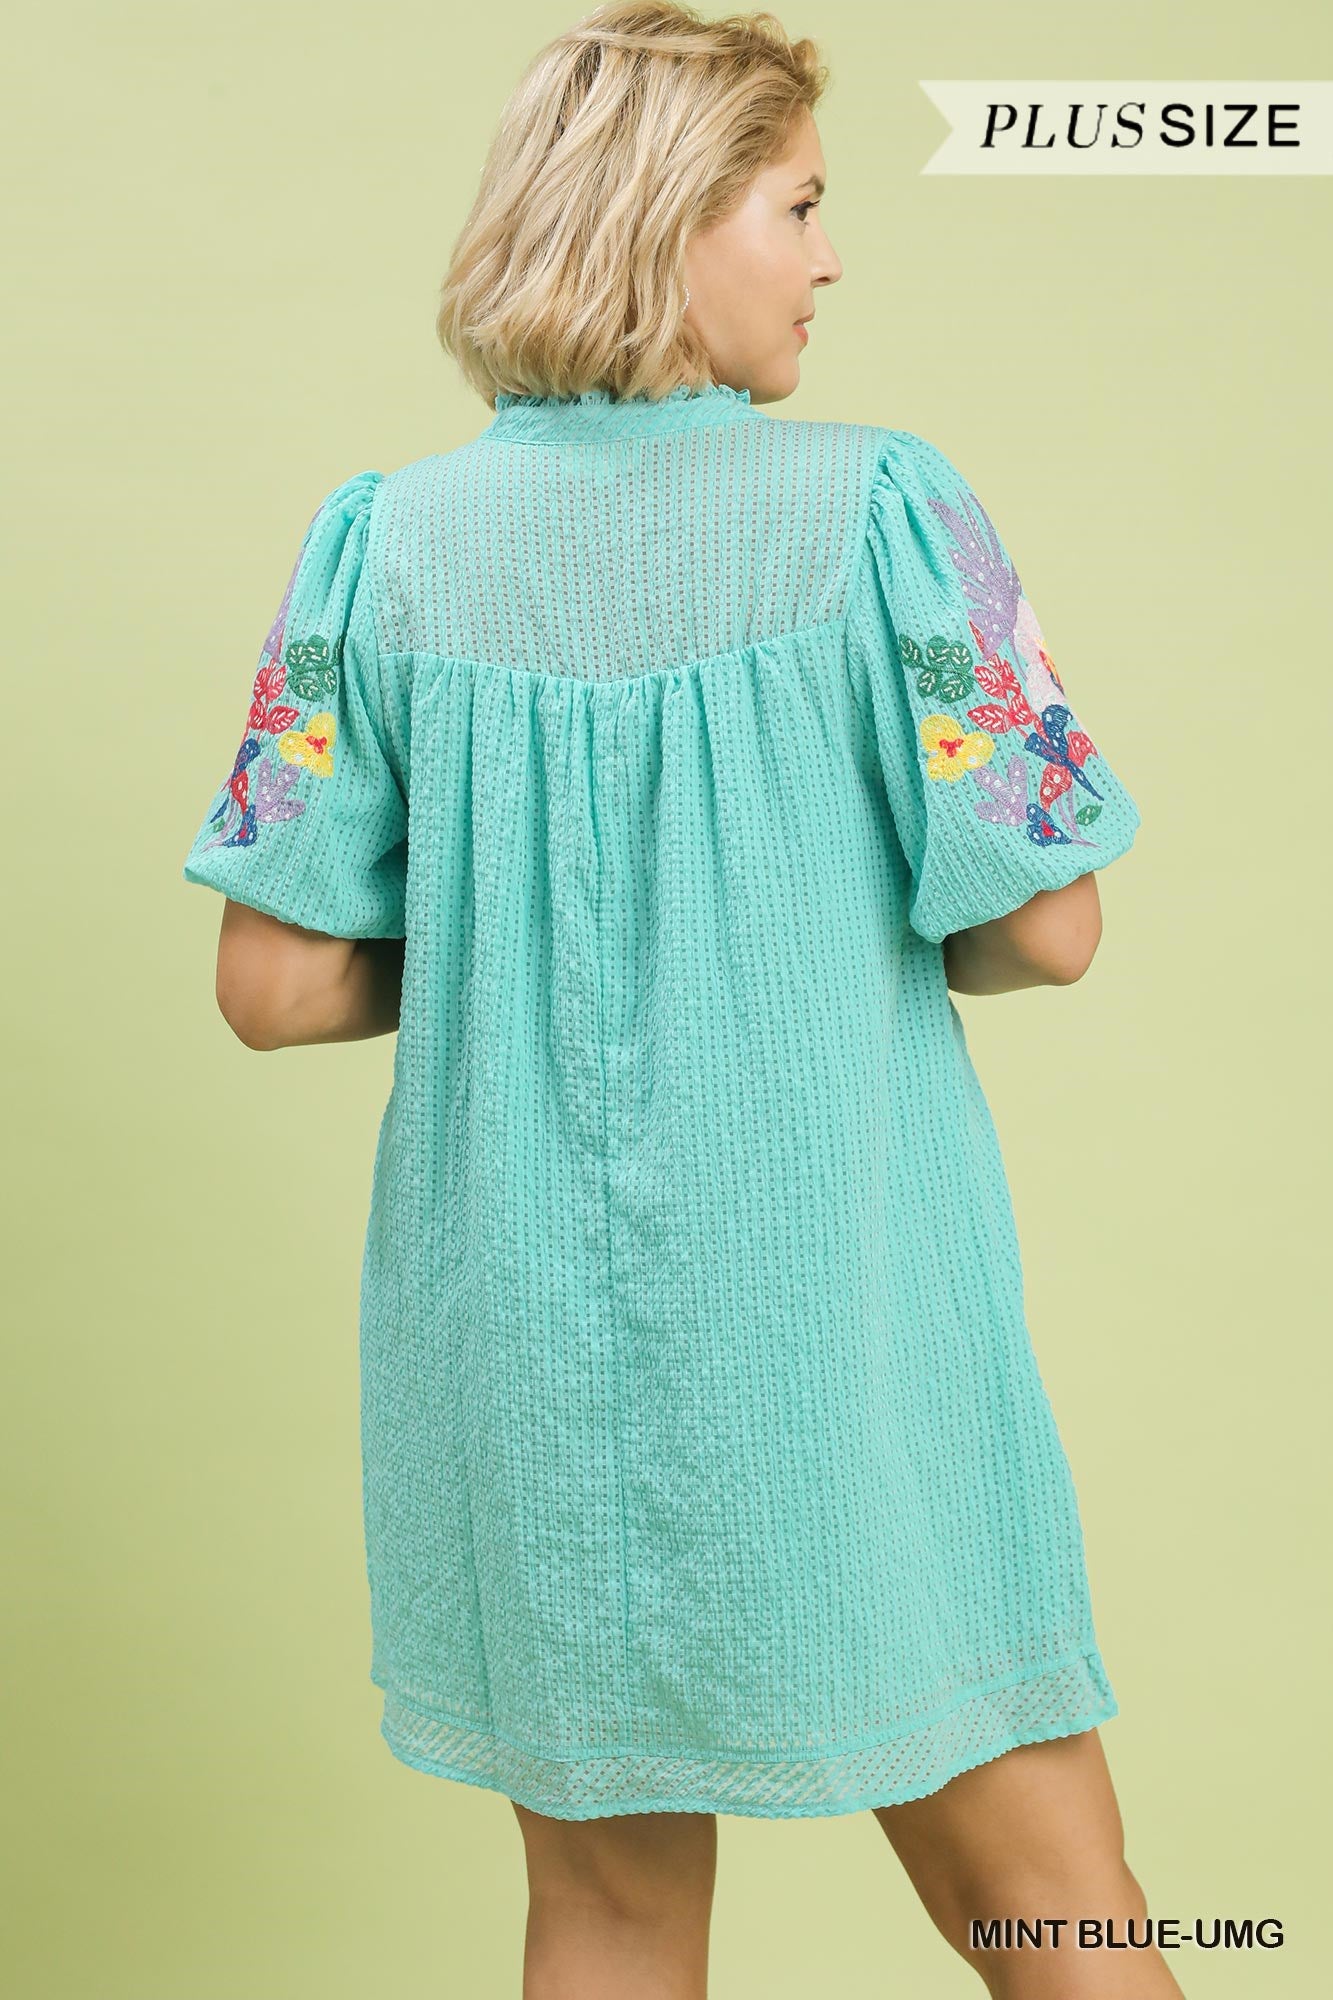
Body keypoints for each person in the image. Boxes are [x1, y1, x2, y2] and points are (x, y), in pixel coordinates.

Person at [181, 5, 1182, 1995]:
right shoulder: (884, 509)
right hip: (837, 1327)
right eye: (797, 206)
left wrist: (526, 933)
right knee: (1063, 1918)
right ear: (669, 217)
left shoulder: (378, 547)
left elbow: (275, 985)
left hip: (529, 1358)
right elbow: (1049, 927)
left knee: (608, 1915)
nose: (828, 256)